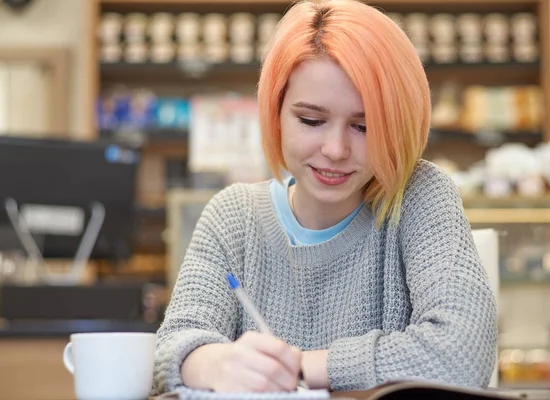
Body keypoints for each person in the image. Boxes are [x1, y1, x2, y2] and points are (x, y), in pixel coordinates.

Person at [153, 0, 497, 395]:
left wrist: (299, 367)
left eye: (364, 126)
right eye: (312, 121)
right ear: (275, 111)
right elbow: (172, 348)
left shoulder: (418, 196)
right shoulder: (233, 217)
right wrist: (212, 364)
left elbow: (463, 352)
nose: (335, 149)